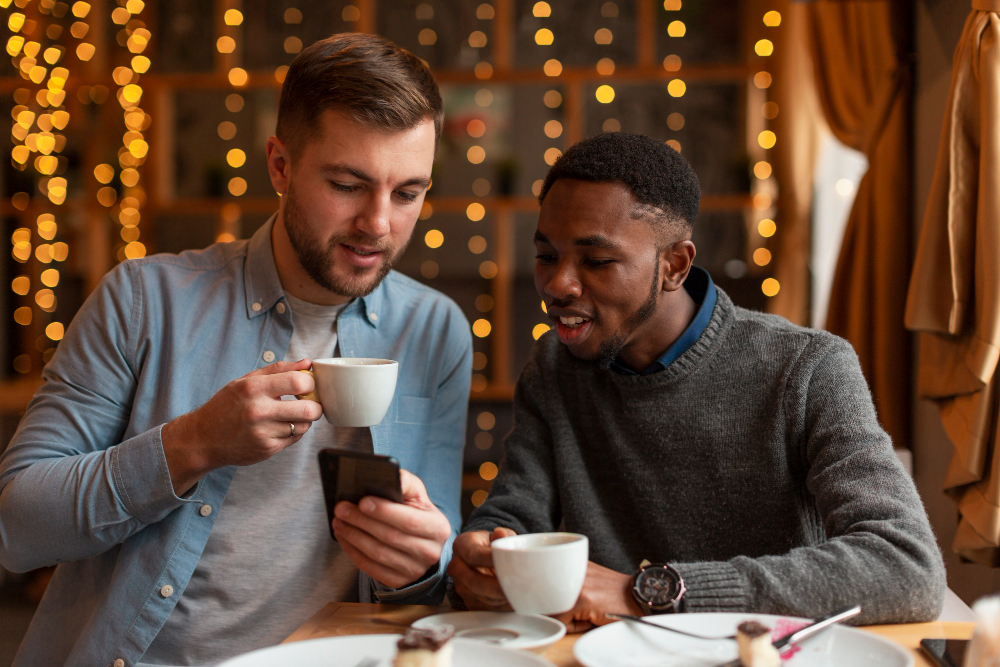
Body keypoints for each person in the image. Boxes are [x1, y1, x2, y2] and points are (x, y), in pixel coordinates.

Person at [0, 34, 471, 667]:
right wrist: (195, 442)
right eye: (347, 184)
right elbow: (16, 525)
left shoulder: (437, 330)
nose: (379, 225)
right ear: (279, 165)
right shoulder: (143, 300)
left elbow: (430, 560)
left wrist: (419, 565)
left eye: (408, 193)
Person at [448, 132, 945, 630]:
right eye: (546, 255)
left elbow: (906, 566)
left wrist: (644, 591)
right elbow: (516, 511)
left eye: (596, 261)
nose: (558, 284)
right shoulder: (555, 366)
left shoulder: (810, 367)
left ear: (675, 265)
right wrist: (488, 546)